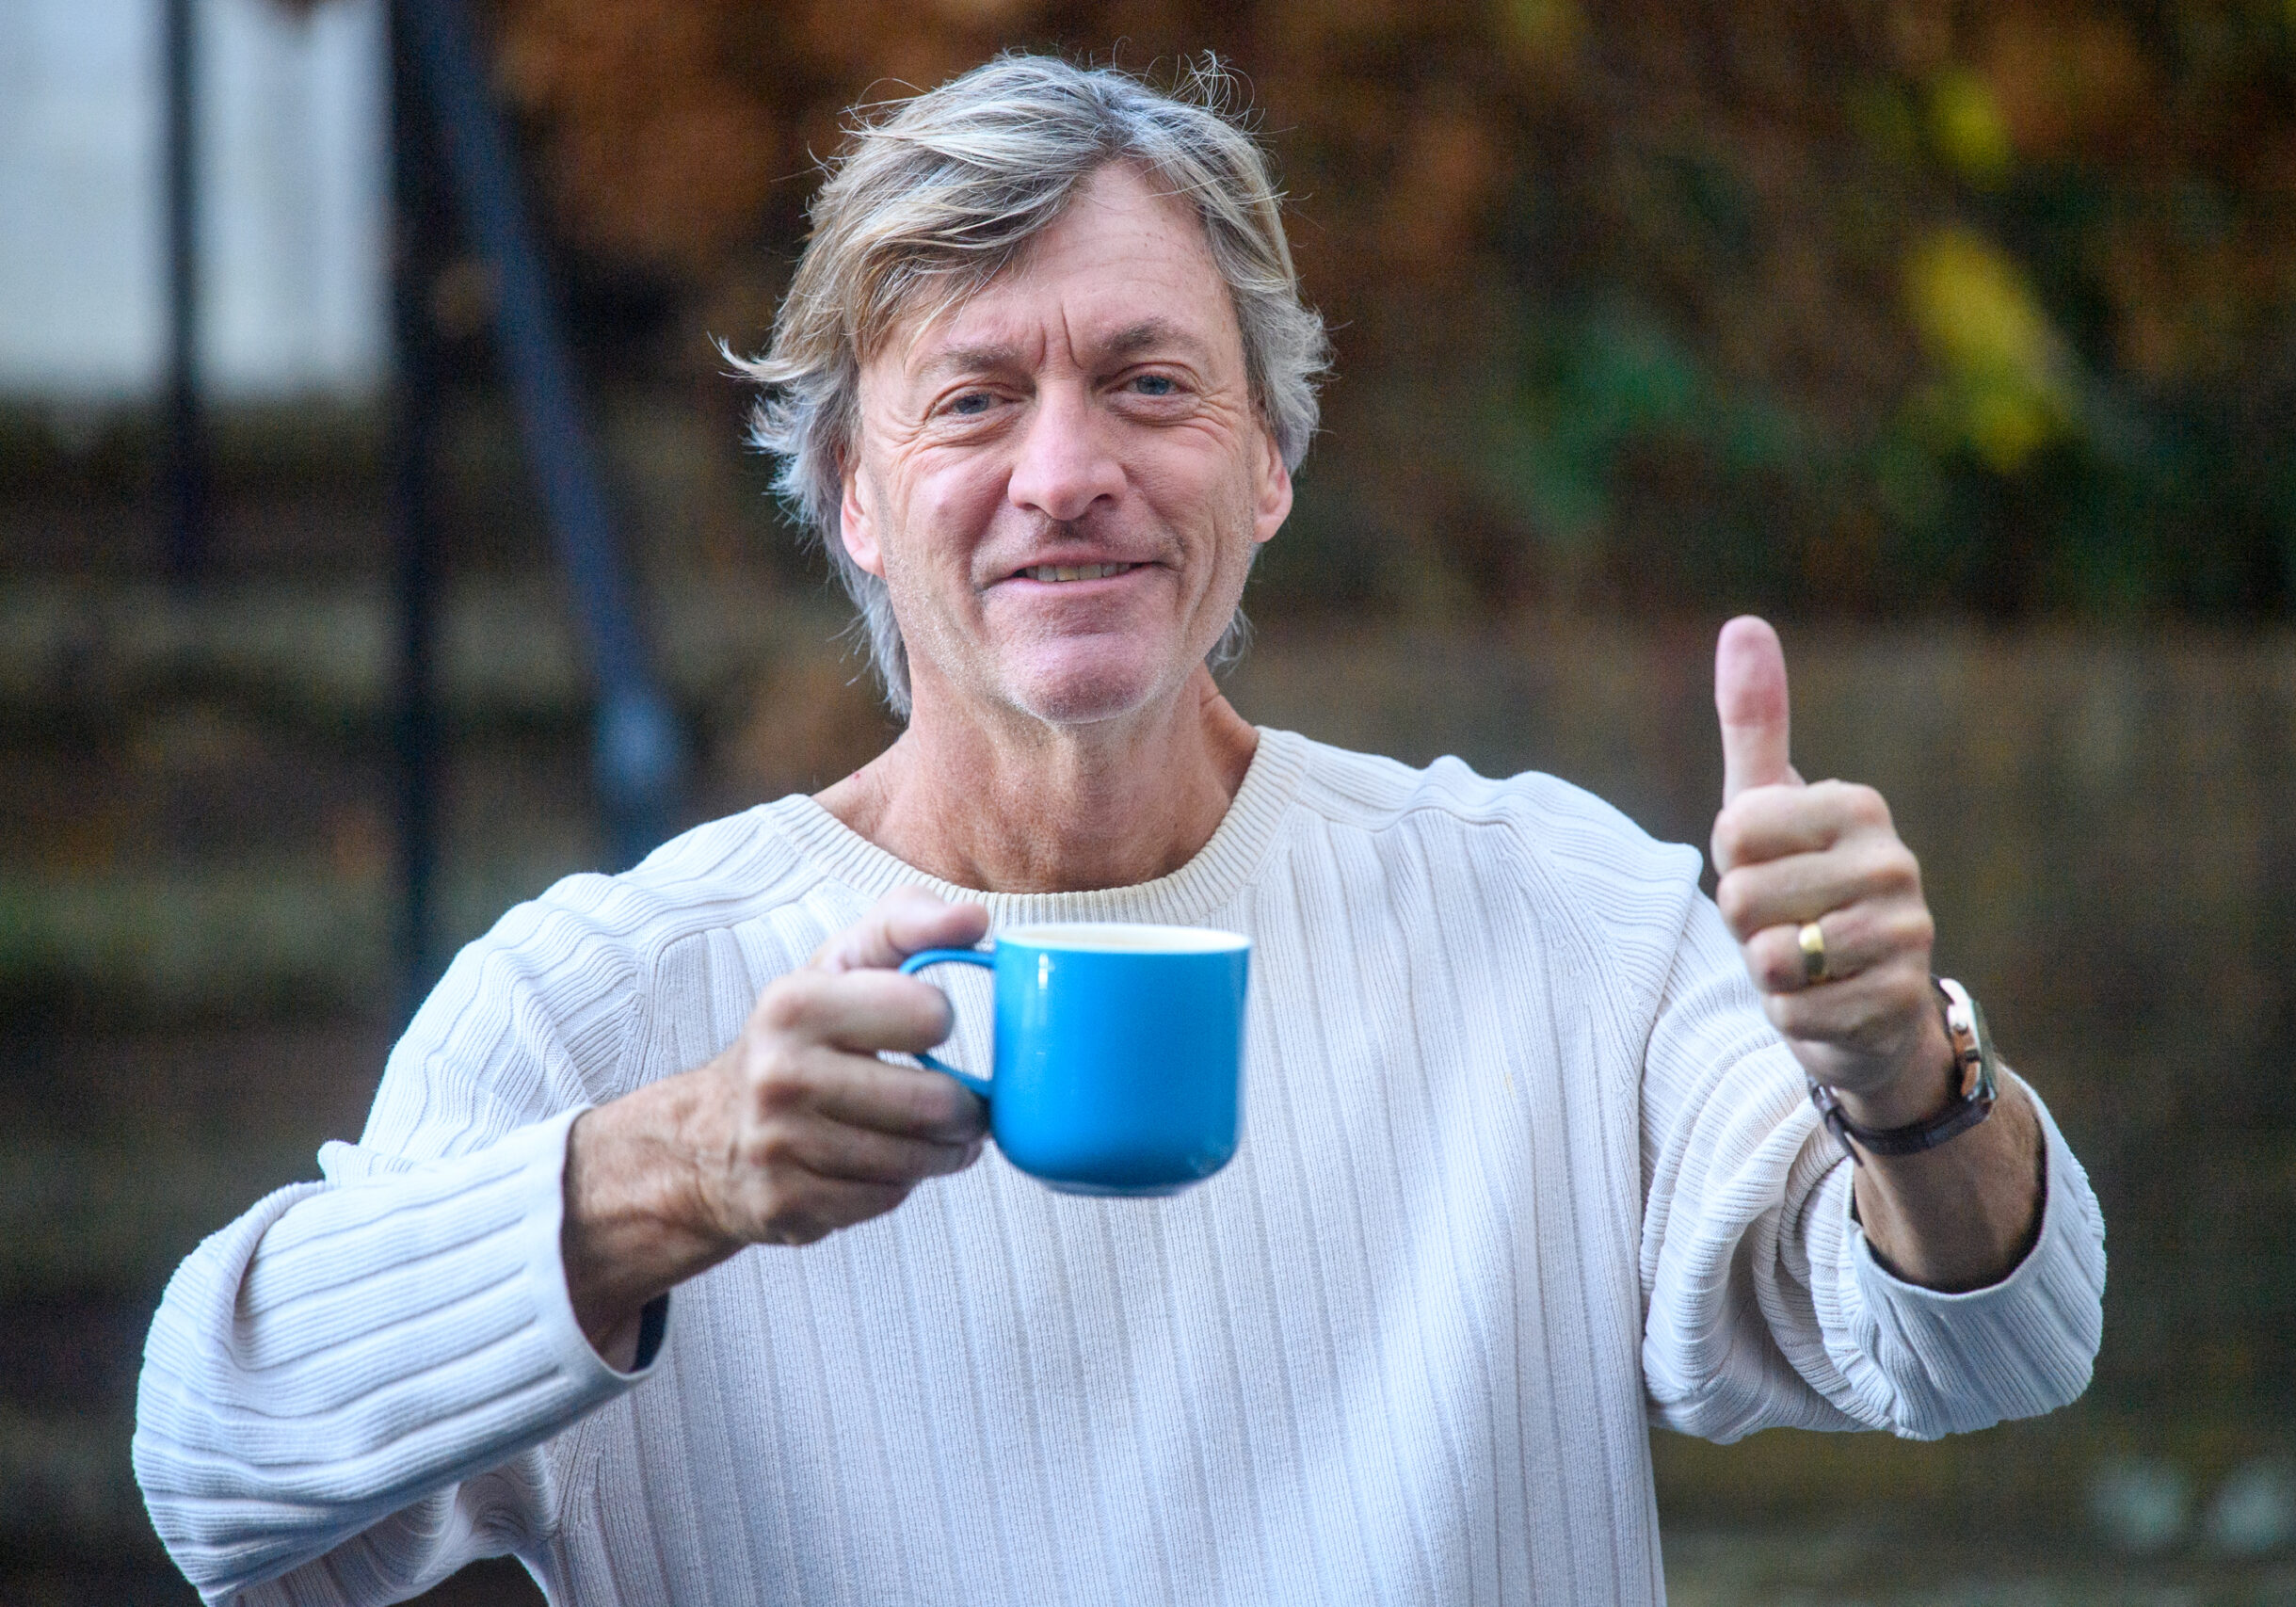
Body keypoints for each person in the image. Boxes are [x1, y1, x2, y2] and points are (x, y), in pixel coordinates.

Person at [134, 53, 2104, 1606]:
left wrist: (1899, 1081)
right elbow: (216, 1472)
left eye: (1146, 381)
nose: (1065, 472)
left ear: (1264, 460)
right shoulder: (605, 1004)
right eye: (973, 399)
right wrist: (679, 1173)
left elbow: (1981, 1347)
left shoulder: (1548, 910)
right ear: (849, 495)